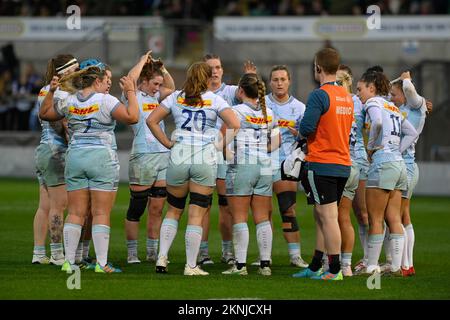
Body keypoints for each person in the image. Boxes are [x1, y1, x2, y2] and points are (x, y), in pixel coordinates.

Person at [39, 65, 139, 273]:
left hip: (75, 157)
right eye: (106, 82)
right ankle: (101, 264)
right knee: (101, 212)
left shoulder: (70, 100)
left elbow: (45, 114)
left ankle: (69, 262)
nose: (108, 85)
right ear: (97, 82)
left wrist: (50, 91)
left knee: (75, 213)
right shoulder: (106, 100)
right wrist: (130, 91)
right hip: (101, 158)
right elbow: (133, 117)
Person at [147, 61, 240, 276]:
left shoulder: (176, 97)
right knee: (196, 213)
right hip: (204, 156)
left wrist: (168, 143)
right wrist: (219, 145)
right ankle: (190, 266)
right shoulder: (215, 99)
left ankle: (162, 258)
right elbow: (235, 124)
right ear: (208, 78)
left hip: (179, 154)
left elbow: (152, 121)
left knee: (173, 209)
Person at [293, 48, 354, 281]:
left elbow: (307, 128)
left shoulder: (319, 95)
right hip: (342, 162)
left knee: (327, 217)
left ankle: (335, 270)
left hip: (322, 162)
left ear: (317, 67)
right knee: (323, 215)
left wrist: (299, 131)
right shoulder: (346, 96)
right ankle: (316, 265)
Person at [355, 71, 418, 276]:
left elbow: (378, 123)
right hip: (399, 165)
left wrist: (372, 147)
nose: (358, 94)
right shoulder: (392, 105)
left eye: (360, 89)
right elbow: (412, 132)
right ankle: (396, 267)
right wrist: (396, 150)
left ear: (371, 88)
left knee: (375, 219)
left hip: (383, 163)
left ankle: (371, 267)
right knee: (394, 218)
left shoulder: (373, 103)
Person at [196, 54, 254, 265]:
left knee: (226, 205)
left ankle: (227, 251)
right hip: (201, 152)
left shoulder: (231, 91)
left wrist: (250, 79)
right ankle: (202, 252)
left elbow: (251, 95)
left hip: (225, 154)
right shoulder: (197, 94)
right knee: (201, 205)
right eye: (210, 67)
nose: (215, 71)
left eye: (218, 67)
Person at [221, 73, 280, 276]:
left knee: (239, 217)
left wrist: (227, 155)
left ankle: (240, 266)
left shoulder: (235, 111)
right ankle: (265, 265)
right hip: (264, 165)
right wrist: (261, 151)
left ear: (240, 91)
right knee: (263, 218)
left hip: (243, 165)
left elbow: (224, 141)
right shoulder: (269, 113)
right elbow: (277, 142)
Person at [123, 51, 175, 264]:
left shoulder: (156, 97)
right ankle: (132, 253)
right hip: (142, 156)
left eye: (158, 84)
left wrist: (161, 69)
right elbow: (130, 79)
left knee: (157, 208)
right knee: (137, 208)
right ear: (143, 82)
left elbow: (171, 88)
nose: (158, 87)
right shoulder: (132, 94)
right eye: (154, 83)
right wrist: (143, 60)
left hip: (163, 155)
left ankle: (153, 252)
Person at [32, 54, 78, 266]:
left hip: (43, 150)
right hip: (55, 152)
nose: (78, 72)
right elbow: (62, 127)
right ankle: (58, 254)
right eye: (75, 68)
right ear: (64, 72)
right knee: (59, 205)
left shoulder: (44, 90)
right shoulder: (61, 94)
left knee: (45, 206)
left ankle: (39, 253)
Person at [263, 65, 308, 268]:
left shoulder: (299, 108)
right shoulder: (261, 104)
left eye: (282, 79)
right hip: (263, 162)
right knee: (264, 212)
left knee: (287, 209)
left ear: (289, 81)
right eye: (275, 79)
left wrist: (297, 134)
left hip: (287, 165)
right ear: (270, 82)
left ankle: (295, 256)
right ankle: (265, 256)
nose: (279, 83)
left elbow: (307, 137)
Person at [390, 71, 428, 276]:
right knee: (402, 215)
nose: (392, 98)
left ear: (404, 93)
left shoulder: (417, 104)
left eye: (394, 94)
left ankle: (405, 265)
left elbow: (410, 90)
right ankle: (406, 264)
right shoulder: (402, 108)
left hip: (408, 166)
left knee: (400, 215)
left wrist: (406, 78)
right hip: (401, 165)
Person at [335, 65, 367, 276]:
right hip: (354, 162)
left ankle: (368, 258)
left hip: (343, 161)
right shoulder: (355, 102)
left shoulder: (338, 100)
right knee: (345, 215)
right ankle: (345, 263)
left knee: (358, 213)